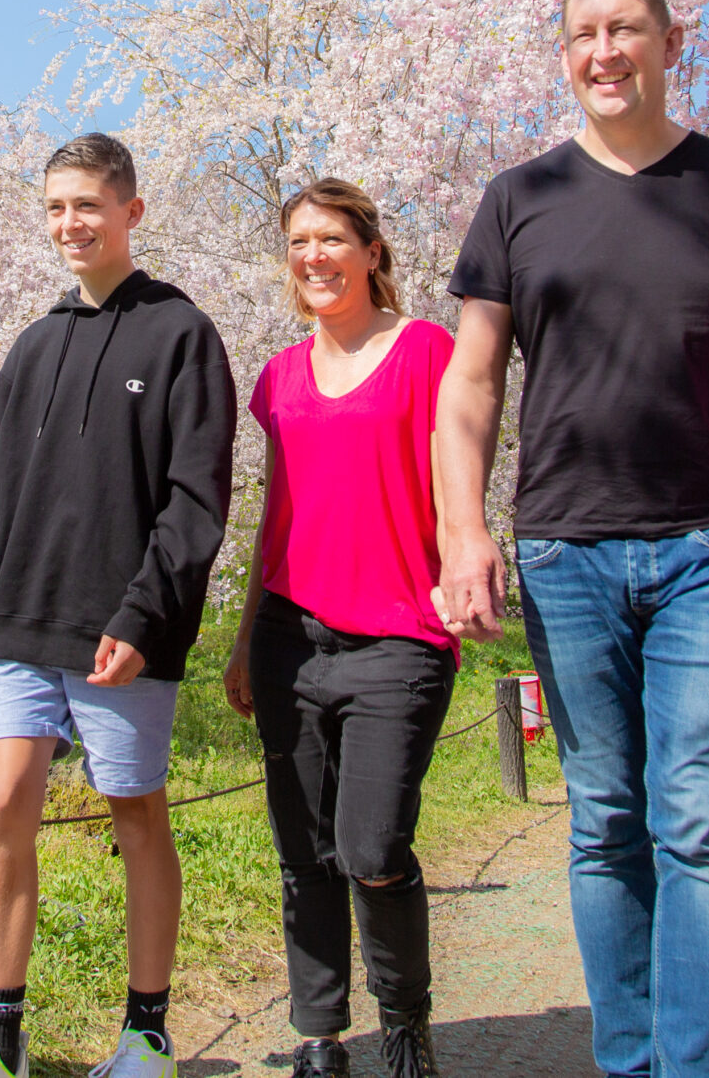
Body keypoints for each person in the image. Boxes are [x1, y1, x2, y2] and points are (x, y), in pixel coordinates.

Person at [432, 0, 709, 1078]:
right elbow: (472, 382)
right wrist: (464, 532)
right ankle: (630, 1061)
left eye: (626, 29)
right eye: (583, 33)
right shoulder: (518, 199)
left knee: (699, 829)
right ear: (565, 53)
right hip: (566, 550)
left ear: (673, 44)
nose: (604, 51)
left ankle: (695, 1067)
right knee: (605, 822)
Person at [0, 134, 237, 1078]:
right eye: (58, 207)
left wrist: (146, 616)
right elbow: (4, 495)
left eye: (90, 206)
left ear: (131, 212)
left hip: (123, 635)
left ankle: (146, 1032)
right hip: (25, 620)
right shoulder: (33, 344)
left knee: (135, 814)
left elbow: (198, 499)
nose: (72, 224)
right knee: (5, 811)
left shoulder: (182, 334)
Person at [224, 180, 459, 1078]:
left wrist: (465, 574)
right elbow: (276, 516)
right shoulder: (280, 377)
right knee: (302, 852)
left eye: (331, 238)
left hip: (400, 640)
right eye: (298, 242)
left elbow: (456, 484)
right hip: (292, 638)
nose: (314, 256)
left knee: (370, 847)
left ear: (370, 250)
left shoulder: (426, 351)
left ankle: (404, 1022)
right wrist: (247, 639)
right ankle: (320, 1037)